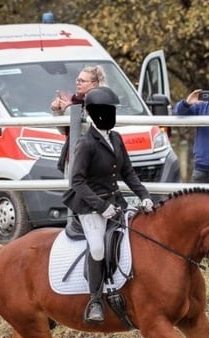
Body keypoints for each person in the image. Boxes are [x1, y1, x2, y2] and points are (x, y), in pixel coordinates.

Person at [62, 86, 154, 324]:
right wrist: (101, 206)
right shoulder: (86, 143)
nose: (109, 115)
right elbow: (77, 181)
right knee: (97, 248)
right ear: (92, 114)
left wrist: (144, 195)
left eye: (111, 111)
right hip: (90, 206)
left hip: (115, 201)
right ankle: (94, 300)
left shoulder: (115, 138)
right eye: (105, 111)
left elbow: (127, 172)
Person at [51, 65, 106, 176]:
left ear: (94, 84)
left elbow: (87, 129)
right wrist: (57, 111)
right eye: (77, 80)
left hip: (91, 157)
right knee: (73, 189)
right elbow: (64, 131)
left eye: (82, 81)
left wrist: (68, 109)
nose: (78, 83)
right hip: (74, 154)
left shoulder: (100, 101)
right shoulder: (76, 100)